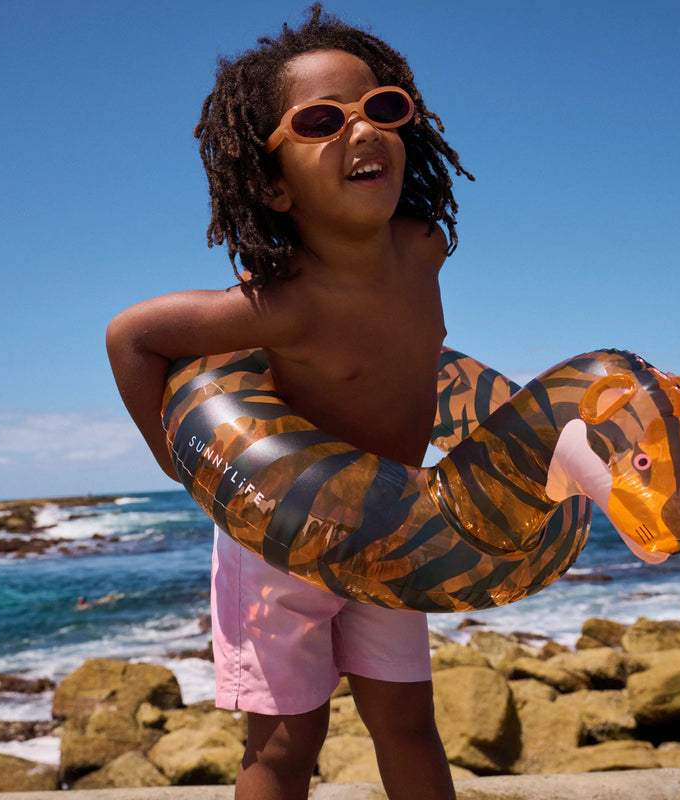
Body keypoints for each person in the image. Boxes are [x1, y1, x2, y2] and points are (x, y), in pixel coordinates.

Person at [106, 5, 472, 799]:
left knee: (409, 722)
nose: (362, 130)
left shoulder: (423, 249)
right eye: (321, 121)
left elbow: (413, 364)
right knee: (285, 743)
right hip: (277, 539)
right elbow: (132, 335)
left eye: (382, 108)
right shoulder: (284, 304)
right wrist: (182, 466)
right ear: (272, 183)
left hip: (390, 524)